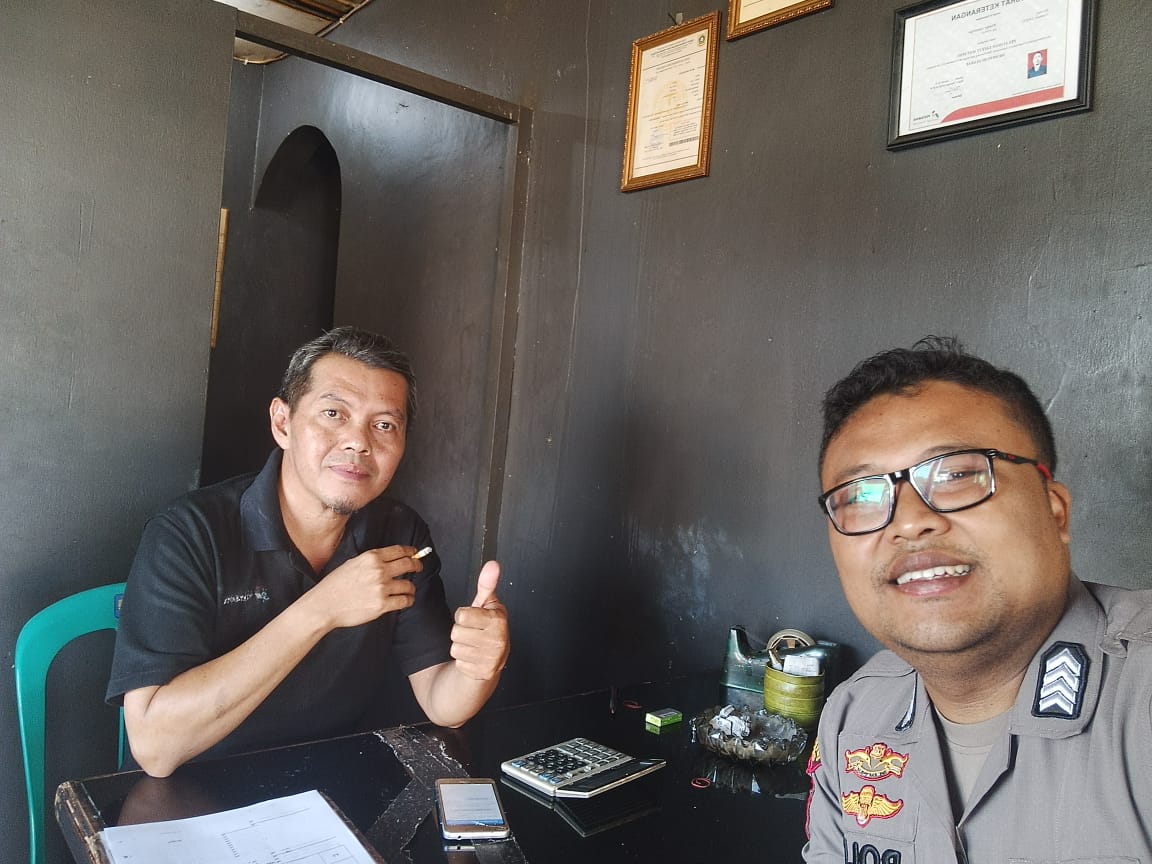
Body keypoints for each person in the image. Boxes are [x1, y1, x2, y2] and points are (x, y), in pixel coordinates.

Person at [804, 336, 1152, 862]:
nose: (909, 522)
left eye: (955, 475)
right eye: (862, 496)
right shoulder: (853, 716)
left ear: (1055, 510)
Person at [107, 326, 510, 777]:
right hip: (192, 792)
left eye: (384, 425)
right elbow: (155, 748)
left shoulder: (400, 533)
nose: (359, 441)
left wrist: (480, 667)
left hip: (327, 783)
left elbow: (442, 702)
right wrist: (323, 608)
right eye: (334, 413)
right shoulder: (187, 533)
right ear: (283, 423)